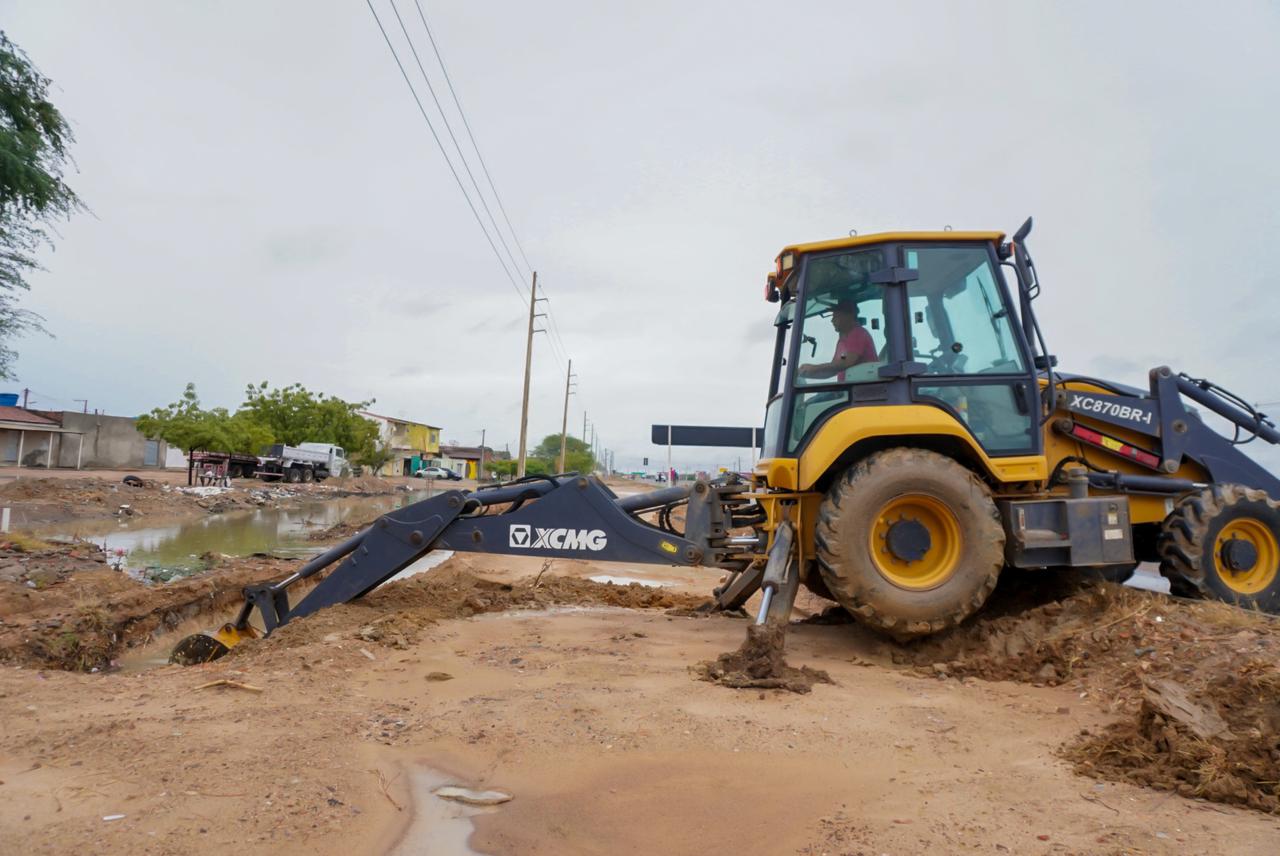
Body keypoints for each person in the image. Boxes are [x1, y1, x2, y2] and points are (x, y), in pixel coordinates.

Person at [797, 298, 877, 381]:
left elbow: (846, 362)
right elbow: (834, 368)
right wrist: (803, 373)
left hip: (862, 390)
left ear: (849, 316)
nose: (832, 320)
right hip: (846, 390)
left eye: (836, 316)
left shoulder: (858, 334)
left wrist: (815, 368)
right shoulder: (843, 342)